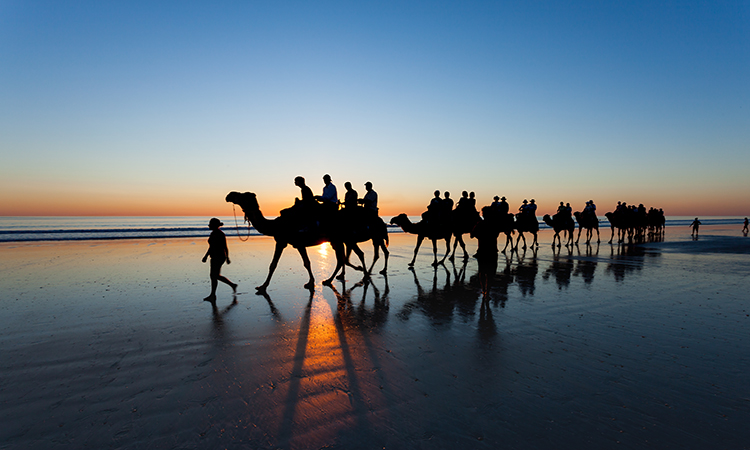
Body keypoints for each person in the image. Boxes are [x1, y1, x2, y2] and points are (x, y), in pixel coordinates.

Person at [202, 218, 237, 302]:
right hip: (214, 256)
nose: (209, 225)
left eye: (210, 224)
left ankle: (213, 295)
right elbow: (211, 247)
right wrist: (206, 256)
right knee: (215, 276)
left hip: (219, 256)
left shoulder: (220, 234)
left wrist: (227, 257)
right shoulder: (213, 233)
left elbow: (225, 246)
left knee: (214, 276)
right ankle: (232, 285)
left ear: (214, 225)